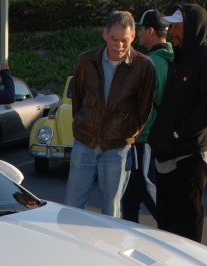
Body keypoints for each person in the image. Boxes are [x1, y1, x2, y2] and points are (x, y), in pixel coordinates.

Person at [64, 10, 155, 219]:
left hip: (117, 149)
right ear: (105, 34)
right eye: (114, 38)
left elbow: (144, 110)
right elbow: (78, 99)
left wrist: (126, 134)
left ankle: (109, 251)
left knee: (111, 211)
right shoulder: (85, 61)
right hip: (84, 143)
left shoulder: (144, 67)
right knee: (71, 206)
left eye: (125, 40)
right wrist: (84, 126)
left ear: (133, 37)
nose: (119, 45)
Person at [149, 4, 207, 242]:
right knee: (167, 220)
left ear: (194, 27)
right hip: (168, 153)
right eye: (172, 27)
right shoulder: (179, 58)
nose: (173, 32)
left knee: (187, 219)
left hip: (191, 152)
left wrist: (179, 134)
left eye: (178, 27)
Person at [121, 9, 174, 223]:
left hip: (143, 135)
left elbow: (138, 101)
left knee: (143, 183)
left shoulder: (149, 63)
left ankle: (170, 225)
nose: (137, 34)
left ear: (150, 30)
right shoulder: (174, 58)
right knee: (131, 193)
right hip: (162, 133)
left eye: (140, 29)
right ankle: (129, 231)